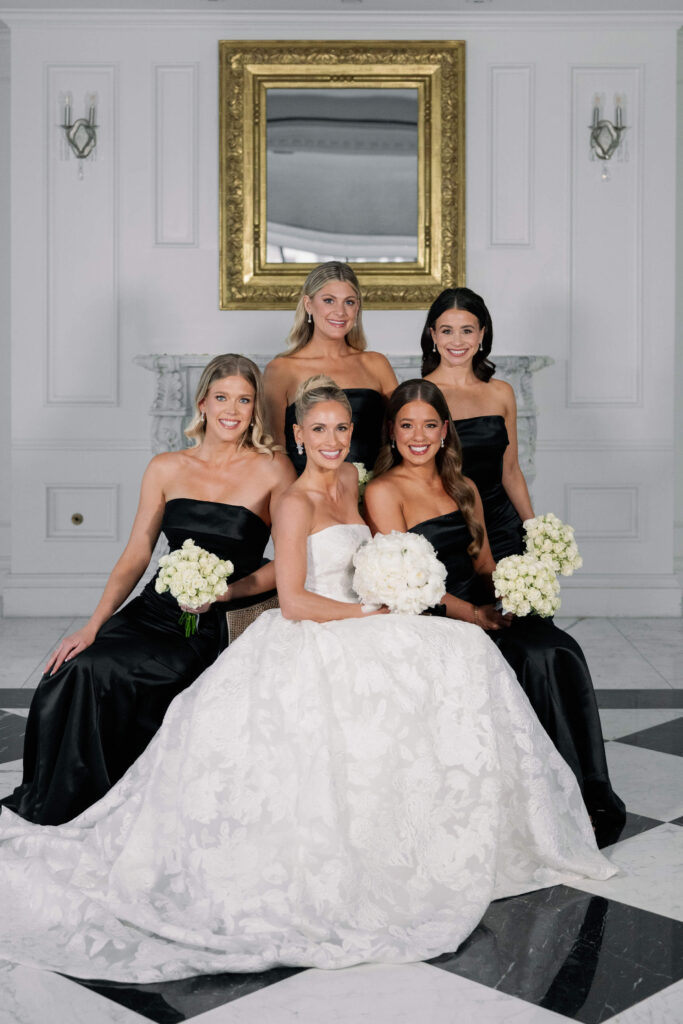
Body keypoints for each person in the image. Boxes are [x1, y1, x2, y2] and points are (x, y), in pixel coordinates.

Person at [0, 376, 614, 982]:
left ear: (353, 434)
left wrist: (398, 584)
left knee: (462, 657)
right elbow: (293, 597)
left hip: (362, 612)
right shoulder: (292, 500)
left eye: (341, 428)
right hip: (318, 624)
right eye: (318, 429)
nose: (331, 440)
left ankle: (451, 830)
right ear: (296, 434)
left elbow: (366, 554)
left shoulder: (357, 479)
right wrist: (366, 611)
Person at [1, 354, 295, 826]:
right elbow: (138, 553)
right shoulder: (165, 467)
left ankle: (128, 800)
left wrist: (224, 594)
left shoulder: (274, 469)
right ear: (202, 403)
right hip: (155, 609)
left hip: (211, 620)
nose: (232, 410)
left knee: (139, 677)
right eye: (222, 398)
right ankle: (69, 799)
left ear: (255, 408)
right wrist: (93, 625)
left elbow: (286, 565)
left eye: (244, 400)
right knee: (75, 670)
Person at [364, 379, 625, 845]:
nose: (418, 436)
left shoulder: (462, 485)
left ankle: (587, 794)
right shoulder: (384, 492)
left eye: (429, 425)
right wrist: (475, 615)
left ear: (445, 430)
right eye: (407, 425)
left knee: (557, 646)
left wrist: (514, 594)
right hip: (433, 615)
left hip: (480, 602)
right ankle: (545, 801)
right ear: (391, 431)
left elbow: (483, 563)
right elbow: (405, 582)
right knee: (526, 658)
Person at [421, 286, 531, 560]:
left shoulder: (501, 392)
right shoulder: (419, 395)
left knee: (517, 601)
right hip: (446, 525)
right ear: (433, 335)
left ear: (482, 333)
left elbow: (511, 470)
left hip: (503, 525)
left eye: (467, 330)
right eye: (446, 331)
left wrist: (534, 528)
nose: (457, 341)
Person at [264, 261, 397, 474]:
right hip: (306, 496)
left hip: (376, 493)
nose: (340, 312)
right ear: (308, 304)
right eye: (329, 300)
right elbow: (275, 452)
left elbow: (400, 434)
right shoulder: (281, 370)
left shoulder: (376, 364)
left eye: (349, 302)